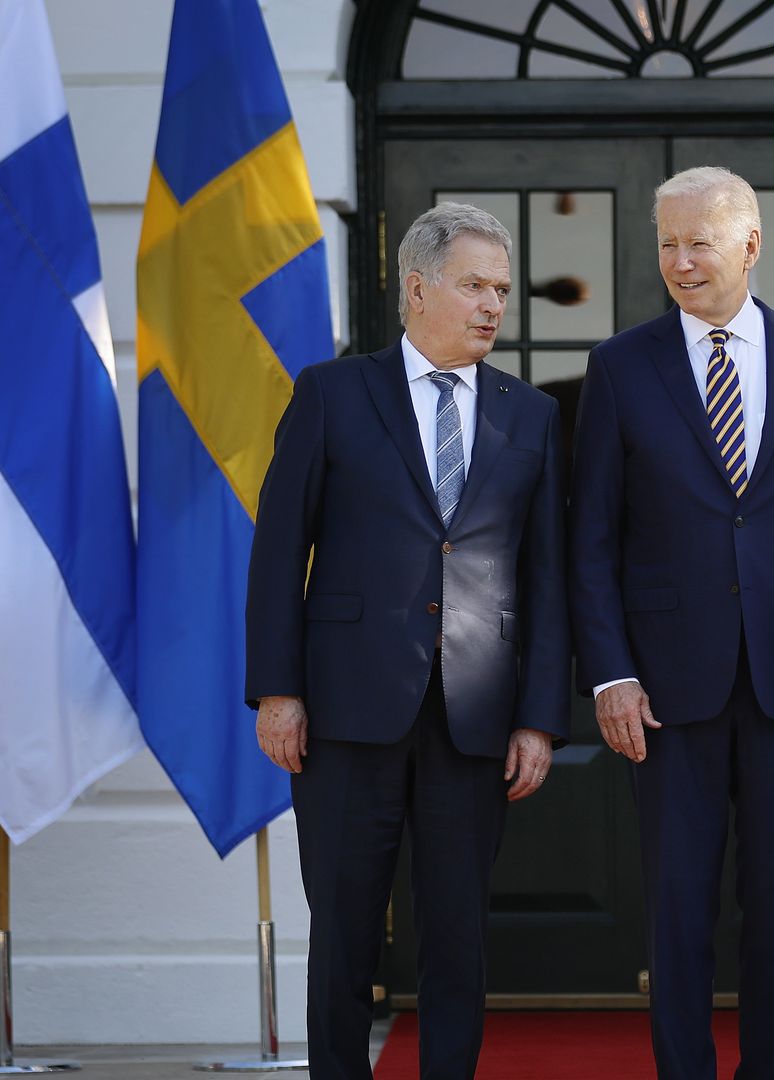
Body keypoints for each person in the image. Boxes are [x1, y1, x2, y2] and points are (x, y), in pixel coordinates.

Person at [244, 203, 569, 1080]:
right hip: (347, 712)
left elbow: (547, 577)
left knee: (458, 937)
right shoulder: (332, 393)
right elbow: (279, 550)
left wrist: (540, 717)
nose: (493, 305)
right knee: (344, 933)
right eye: (475, 286)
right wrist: (278, 690)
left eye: (501, 289)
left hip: (476, 717)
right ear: (417, 289)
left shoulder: (532, 415)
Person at [569, 166, 774, 1079]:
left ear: (750, 243)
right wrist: (611, 673)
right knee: (678, 907)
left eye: (699, 241)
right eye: (667, 243)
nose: (681, 261)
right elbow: (591, 538)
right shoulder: (621, 365)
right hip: (663, 690)